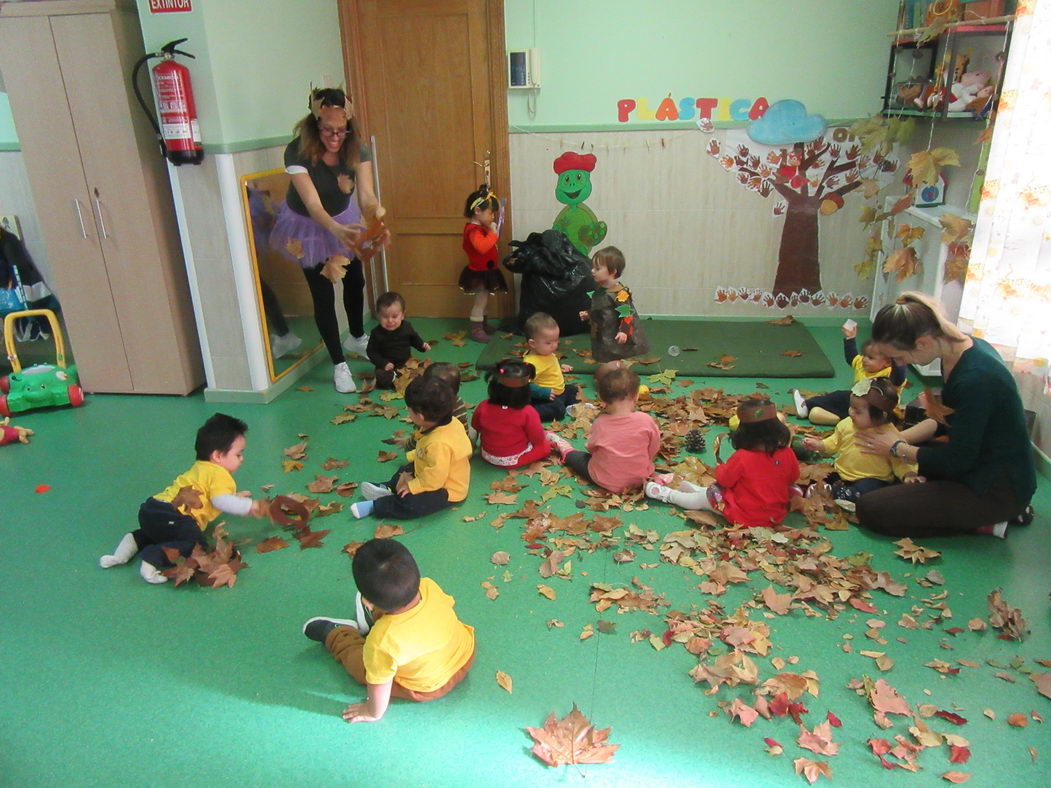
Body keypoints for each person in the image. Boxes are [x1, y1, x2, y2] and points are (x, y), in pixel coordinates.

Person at [854, 292, 1036, 538]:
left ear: (923, 343)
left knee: (871, 508)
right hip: (976, 457)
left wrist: (898, 448)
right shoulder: (957, 350)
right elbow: (948, 421)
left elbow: (958, 461)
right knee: (905, 469)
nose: (897, 363)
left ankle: (991, 521)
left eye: (899, 357)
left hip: (995, 486)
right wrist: (899, 438)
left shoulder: (976, 378)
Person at [269, 87, 388, 394]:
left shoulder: (356, 147)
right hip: (308, 224)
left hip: (343, 215)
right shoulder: (297, 151)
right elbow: (312, 205)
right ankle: (339, 365)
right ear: (314, 123)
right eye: (327, 130)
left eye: (341, 130)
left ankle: (357, 338)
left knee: (355, 280)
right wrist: (333, 230)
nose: (335, 136)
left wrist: (376, 214)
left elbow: (365, 194)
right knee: (322, 294)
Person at [302, 538, 474, 723]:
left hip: (427, 687)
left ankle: (337, 634)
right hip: (463, 655)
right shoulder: (429, 586)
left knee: (359, 665)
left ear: (367, 599)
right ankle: (372, 616)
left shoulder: (382, 641)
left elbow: (379, 684)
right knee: (400, 612)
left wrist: (372, 712)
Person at [98, 414, 268, 584]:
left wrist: (235, 498)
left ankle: (121, 554)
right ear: (217, 456)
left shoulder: (200, 467)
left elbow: (211, 494)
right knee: (195, 545)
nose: (242, 459)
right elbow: (220, 500)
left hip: (152, 509)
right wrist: (249, 506)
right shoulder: (220, 474)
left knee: (152, 534)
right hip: (175, 515)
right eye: (238, 454)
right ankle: (151, 561)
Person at [646, 397, 800, 527]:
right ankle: (691, 488)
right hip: (774, 515)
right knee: (713, 492)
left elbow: (725, 481)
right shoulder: (788, 453)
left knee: (699, 500)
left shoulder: (743, 456)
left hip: (743, 514)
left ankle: (668, 494)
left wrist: (720, 468)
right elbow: (792, 478)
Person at [350, 376, 472, 520]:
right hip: (432, 470)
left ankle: (377, 505)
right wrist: (415, 457)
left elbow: (434, 480)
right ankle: (389, 488)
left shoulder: (438, 444)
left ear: (420, 417)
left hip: (446, 489)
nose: (407, 411)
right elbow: (428, 452)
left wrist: (412, 486)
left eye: (409, 409)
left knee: (412, 503)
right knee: (405, 470)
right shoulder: (450, 422)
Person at [801, 378, 918, 511]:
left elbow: (901, 461)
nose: (851, 412)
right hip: (842, 471)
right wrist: (820, 445)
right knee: (821, 475)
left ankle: (839, 493)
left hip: (872, 478)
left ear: (881, 416)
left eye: (858, 412)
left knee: (868, 492)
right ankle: (825, 489)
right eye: (851, 407)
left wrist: (909, 474)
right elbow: (835, 441)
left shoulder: (890, 436)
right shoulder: (847, 423)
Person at [548, 366, 659, 493]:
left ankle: (564, 448)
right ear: (636, 396)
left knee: (577, 458)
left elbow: (591, 448)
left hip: (604, 479)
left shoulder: (600, 423)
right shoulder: (646, 420)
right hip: (639, 479)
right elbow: (653, 448)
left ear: (602, 399)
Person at [791, 321, 906, 425]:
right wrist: (850, 338)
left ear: (887, 363)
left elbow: (899, 377)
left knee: (840, 396)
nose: (865, 359)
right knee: (835, 401)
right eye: (865, 355)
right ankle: (814, 409)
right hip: (857, 403)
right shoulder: (862, 364)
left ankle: (806, 405)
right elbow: (851, 357)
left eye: (871, 358)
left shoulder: (889, 373)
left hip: (876, 410)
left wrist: (897, 354)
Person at [472, 359, 552, 468]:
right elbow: (537, 439)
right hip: (513, 460)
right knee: (545, 447)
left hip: (486, 454)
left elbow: (475, 426)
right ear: (526, 391)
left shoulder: (482, 405)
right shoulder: (528, 412)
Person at [578, 245, 649, 362]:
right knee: (603, 347)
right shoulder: (600, 289)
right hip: (603, 328)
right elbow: (600, 306)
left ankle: (614, 365)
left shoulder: (619, 294)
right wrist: (589, 314)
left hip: (614, 331)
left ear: (612, 271)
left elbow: (627, 314)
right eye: (593, 267)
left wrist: (624, 331)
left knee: (614, 350)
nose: (592, 271)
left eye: (597, 268)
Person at [459, 184, 508, 343]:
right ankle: (476, 330)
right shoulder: (473, 231)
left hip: (487, 271)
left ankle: (483, 324)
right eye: (490, 213)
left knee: (485, 299)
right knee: (480, 301)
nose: (493, 216)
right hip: (478, 273)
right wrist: (493, 233)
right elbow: (481, 247)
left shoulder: (481, 228)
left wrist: (490, 230)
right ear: (477, 211)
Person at [366, 291, 430, 389]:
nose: (390, 321)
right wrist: (383, 363)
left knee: (423, 368)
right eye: (385, 317)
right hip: (387, 367)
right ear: (378, 316)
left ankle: (402, 378)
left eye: (395, 316)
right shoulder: (376, 333)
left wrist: (422, 345)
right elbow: (371, 352)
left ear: (403, 315)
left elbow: (414, 339)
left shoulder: (406, 327)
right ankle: (392, 378)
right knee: (381, 375)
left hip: (405, 363)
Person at [401, 363, 471, 451]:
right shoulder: (458, 402)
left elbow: (422, 434)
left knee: (425, 449)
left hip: (444, 450)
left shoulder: (430, 413)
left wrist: (408, 445)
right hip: (462, 444)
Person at [522, 312, 578, 422]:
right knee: (558, 411)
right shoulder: (531, 363)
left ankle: (568, 405)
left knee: (574, 390)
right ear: (533, 344)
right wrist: (543, 392)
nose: (554, 345)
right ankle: (527, 413)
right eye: (548, 343)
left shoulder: (545, 352)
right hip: (545, 397)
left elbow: (548, 366)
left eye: (556, 340)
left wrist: (560, 367)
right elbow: (523, 385)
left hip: (559, 391)